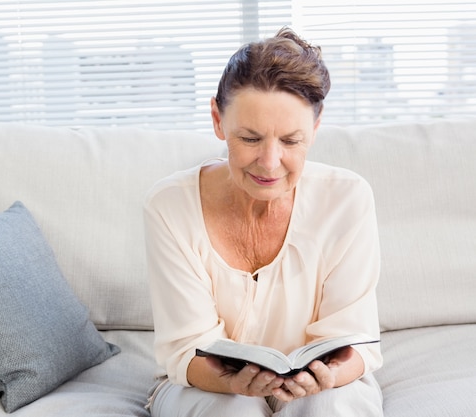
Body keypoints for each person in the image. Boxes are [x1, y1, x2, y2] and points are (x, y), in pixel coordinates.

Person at [143, 27, 383, 417]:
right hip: (205, 384)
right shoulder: (169, 205)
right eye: (250, 139)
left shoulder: (347, 198)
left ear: (315, 129)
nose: (270, 163)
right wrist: (233, 383)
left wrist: (325, 375)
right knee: (232, 411)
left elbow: (356, 343)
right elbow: (185, 349)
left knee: (329, 408)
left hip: (322, 387)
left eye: (291, 141)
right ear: (218, 121)